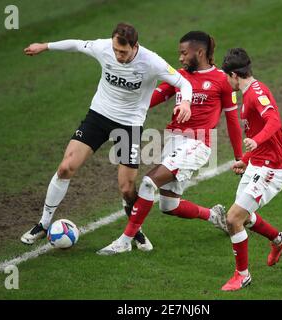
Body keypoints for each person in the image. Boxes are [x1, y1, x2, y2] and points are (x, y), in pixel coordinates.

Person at [20, 23, 193, 253]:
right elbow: (76, 44)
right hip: (99, 116)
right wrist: (45, 46)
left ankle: (135, 229)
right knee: (65, 168)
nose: (118, 55)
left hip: (129, 124)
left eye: (123, 52)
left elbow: (183, 82)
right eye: (115, 50)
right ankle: (43, 223)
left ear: (135, 47)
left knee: (126, 186)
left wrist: (185, 101)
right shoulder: (103, 48)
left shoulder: (151, 62)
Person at [97, 31, 243, 255]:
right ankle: (214, 215)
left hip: (198, 144)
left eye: (184, 53)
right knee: (169, 206)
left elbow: (233, 121)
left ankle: (125, 241)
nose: (181, 58)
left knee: (148, 182)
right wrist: (119, 114)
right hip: (173, 142)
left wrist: (239, 157)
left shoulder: (222, 80)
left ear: (200, 52)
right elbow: (150, 99)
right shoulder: (179, 77)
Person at [220, 48, 282, 291]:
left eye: (226, 77)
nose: (226, 82)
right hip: (258, 163)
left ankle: (243, 275)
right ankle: (279, 239)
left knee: (233, 218)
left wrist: (257, 141)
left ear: (233, 75)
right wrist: (248, 158)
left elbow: (274, 121)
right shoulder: (250, 91)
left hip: (272, 168)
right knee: (244, 216)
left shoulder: (255, 94)